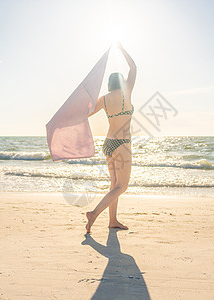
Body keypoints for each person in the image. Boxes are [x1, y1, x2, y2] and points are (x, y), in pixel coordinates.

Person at [86, 43, 136, 233]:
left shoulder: (104, 99)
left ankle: (113, 220)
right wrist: (122, 48)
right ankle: (94, 213)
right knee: (122, 186)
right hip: (122, 143)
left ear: (109, 85)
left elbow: (86, 114)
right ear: (122, 82)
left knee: (114, 184)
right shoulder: (127, 93)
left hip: (108, 144)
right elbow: (134, 67)